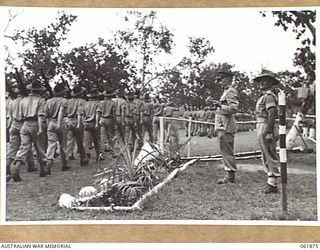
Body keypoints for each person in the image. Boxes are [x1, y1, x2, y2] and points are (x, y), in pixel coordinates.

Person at [11, 80, 47, 181]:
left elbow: (21, 115)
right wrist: (40, 128)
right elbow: (40, 115)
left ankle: (17, 167)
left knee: (24, 147)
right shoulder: (41, 101)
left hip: (25, 124)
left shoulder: (23, 100)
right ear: (40, 90)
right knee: (39, 147)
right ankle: (43, 168)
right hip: (36, 123)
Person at [253, 69, 281, 194]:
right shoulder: (264, 96)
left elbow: (271, 113)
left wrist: (269, 131)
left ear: (271, 82)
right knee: (265, 154)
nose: (262, 83)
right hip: (261, 124)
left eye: (265, 80)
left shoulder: (269, 96)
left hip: (266, 125)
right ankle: (270, 181)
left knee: (269, 153)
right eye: (260, 80)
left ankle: (273, 183)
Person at [214, 70, 239, 184]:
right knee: (225, 150)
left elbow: (233, 109)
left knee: (227, 150)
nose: (219, 82)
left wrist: (220, 105)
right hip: (223, 125)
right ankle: (229, 174)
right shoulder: (226, 92)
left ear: (227, 80)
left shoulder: (230, 92)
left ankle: (230, 175)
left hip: (227, 126)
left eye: (220, 80)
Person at [6, 86, 36, 181]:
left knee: (12, 148)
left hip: (14, 124)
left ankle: (7, 165)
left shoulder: (12, 102)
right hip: (23, 124)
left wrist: (9, 126)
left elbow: (10, 116)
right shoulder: (26, 101)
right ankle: (30, 165)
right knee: (26, 146)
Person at [42, 82, 70, 173]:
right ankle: (65, 164)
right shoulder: (64, 101)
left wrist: (47, 124)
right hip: (60, 122)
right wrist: (59, 124)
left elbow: (45, 114)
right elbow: (61, 112)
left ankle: (48, 162)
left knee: (51, 143)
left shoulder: (48, 101)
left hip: (50, 122)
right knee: (63, 144)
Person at [65, 84, 89, 166]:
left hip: (68, 120)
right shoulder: (82, 101)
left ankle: (66, 158)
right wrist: (79, 124)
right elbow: (80, 113)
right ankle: (83, 158)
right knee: (80, 142)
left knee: (69, 141)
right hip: (77, 120)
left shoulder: (68, 101)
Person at [83, 88, 103, 163]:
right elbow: (98, 113)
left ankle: (85, 156)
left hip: (86, 123)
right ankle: (98, 155)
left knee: (86, 141)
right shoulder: (98, 104)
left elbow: (82, 114)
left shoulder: (85, 103)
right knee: (97, 140)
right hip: (94, 123)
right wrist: (97, 123)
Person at [96, 88, 116, 156]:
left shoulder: (101, 103)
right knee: (111, 135)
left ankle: (101, 152)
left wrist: (97, 122)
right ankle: (112, 151)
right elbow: (114, 114)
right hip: (110, 119)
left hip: (102, 119)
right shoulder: (113, 103)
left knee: (102, 136)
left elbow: (98, 113)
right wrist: (115, 123)